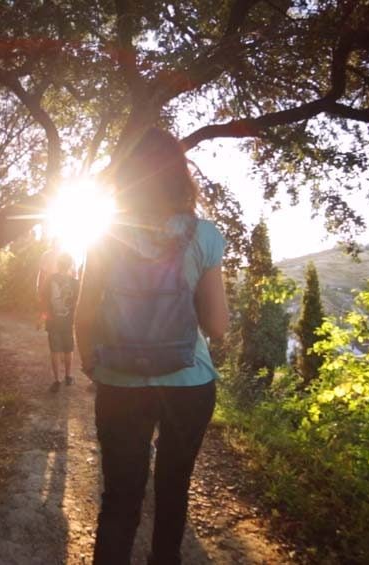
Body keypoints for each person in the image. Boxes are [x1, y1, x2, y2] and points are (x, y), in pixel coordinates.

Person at [75, 127, 229, 565]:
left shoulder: (106, 235)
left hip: (120, 382)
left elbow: (84, 313)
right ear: (180, 174)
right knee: (172, 493)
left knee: (120, 500)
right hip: (189, 382)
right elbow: (218, 326)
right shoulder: (204, 235)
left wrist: (92, 363)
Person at [46, 252, 79, 392]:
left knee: (55, 350)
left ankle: (57, 380)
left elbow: (43, 298)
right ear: (70, 265)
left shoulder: (50, 279)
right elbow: (78, 302)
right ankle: (68, 376)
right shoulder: (75, 283)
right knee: (68, 349)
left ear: (58, 264)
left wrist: (43, 315)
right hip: (68, 321)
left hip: (53, 320)